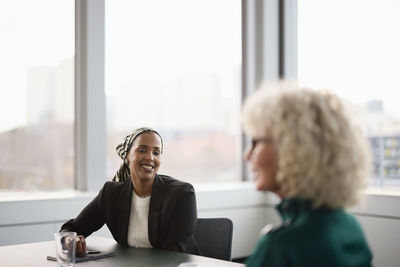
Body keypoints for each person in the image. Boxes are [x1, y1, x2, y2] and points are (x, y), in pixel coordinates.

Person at [241, 84, 373, 267]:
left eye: (256, 142)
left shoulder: (281, 246)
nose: (247, 155)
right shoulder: (349, 225)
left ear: (292, 149)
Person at [60, 127, 199, 256]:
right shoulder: (111, 194)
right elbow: (70, 228)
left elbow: (173, 254)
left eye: (156, 152)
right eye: (142, 150)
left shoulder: (182, 194)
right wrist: (70, 240)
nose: (150, 157)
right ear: (127, 156)